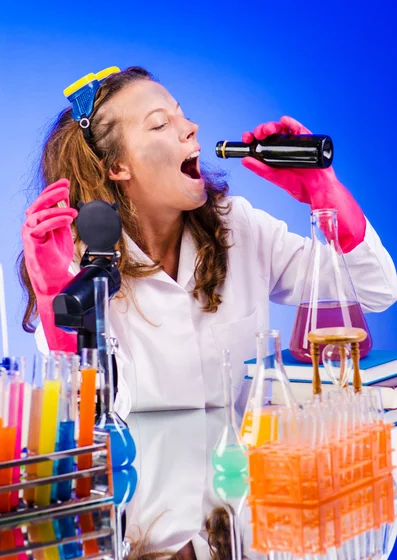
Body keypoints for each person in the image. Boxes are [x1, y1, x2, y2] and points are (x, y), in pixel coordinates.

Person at [20, 66, 397, 417]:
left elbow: (374, 290)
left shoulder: (236, 224)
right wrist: (56, 293)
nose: (191, 128)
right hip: (143, 481)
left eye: (181, 113)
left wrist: (325, 192)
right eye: (160, 125)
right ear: (118, 167)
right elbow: (87, 409)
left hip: (247, 476)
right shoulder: (78, 264)